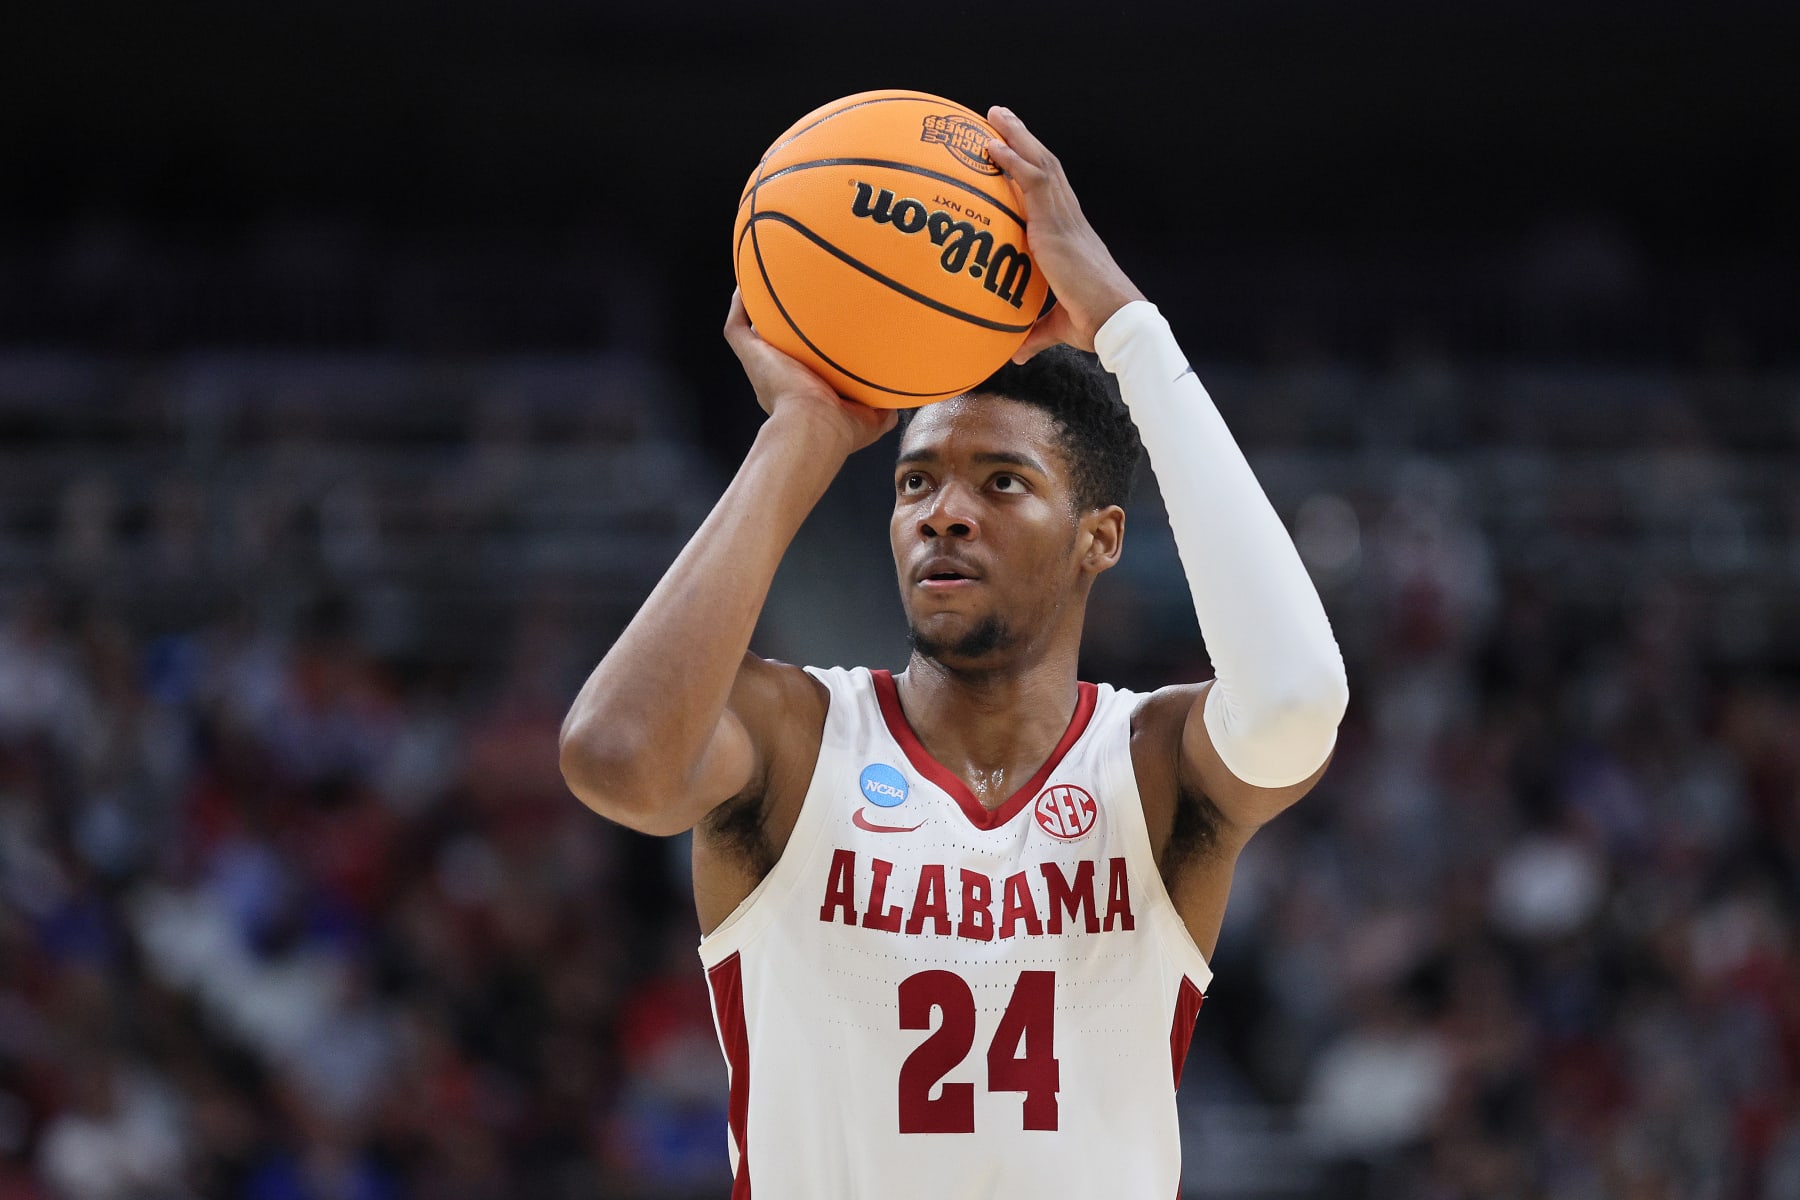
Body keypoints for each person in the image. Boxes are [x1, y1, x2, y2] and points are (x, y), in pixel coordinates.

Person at [560, 107, 1348, 1198]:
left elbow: (1300, 699)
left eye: (1002, 482)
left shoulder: (1153, 769)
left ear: (1099, 538)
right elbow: (615, 756)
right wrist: (801, 435)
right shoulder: (797, 740)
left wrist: (1125, 326)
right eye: (916, 481)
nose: (943, 513)